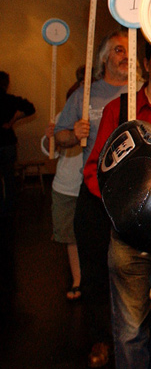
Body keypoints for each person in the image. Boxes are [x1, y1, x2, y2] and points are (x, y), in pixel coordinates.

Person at [83, 41, 151, 369]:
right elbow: (95, 170)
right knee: (130, 330)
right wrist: (124, 209)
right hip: (130, 238)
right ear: (146, 63)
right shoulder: (119, 107)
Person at [54, 28, 130, 368]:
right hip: (94, 192)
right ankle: (100, 337)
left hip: (131, 195)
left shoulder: (141, 95)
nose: (124, 56)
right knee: (95, 269)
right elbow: (60, 137)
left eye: (129, 50)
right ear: (103, 58)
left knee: (130, 270)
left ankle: (131, 339)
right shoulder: (86, 94)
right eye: (117, 50)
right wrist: (74, 133)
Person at [41, 101, 83, 300]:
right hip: (67, 186)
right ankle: (77, 280)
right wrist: (51, 138)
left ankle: (94, 279)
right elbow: (49, 151)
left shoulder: (101, 110)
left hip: (92, 185)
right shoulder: (63, 116)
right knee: (71, 237)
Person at [0, 71, 35, 218]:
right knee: (9, 177)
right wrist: (13, 120)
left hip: (6, 142)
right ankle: (9, 208)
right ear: (6, 84)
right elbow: (30, 108)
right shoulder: (9, 99)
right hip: (7, 142)